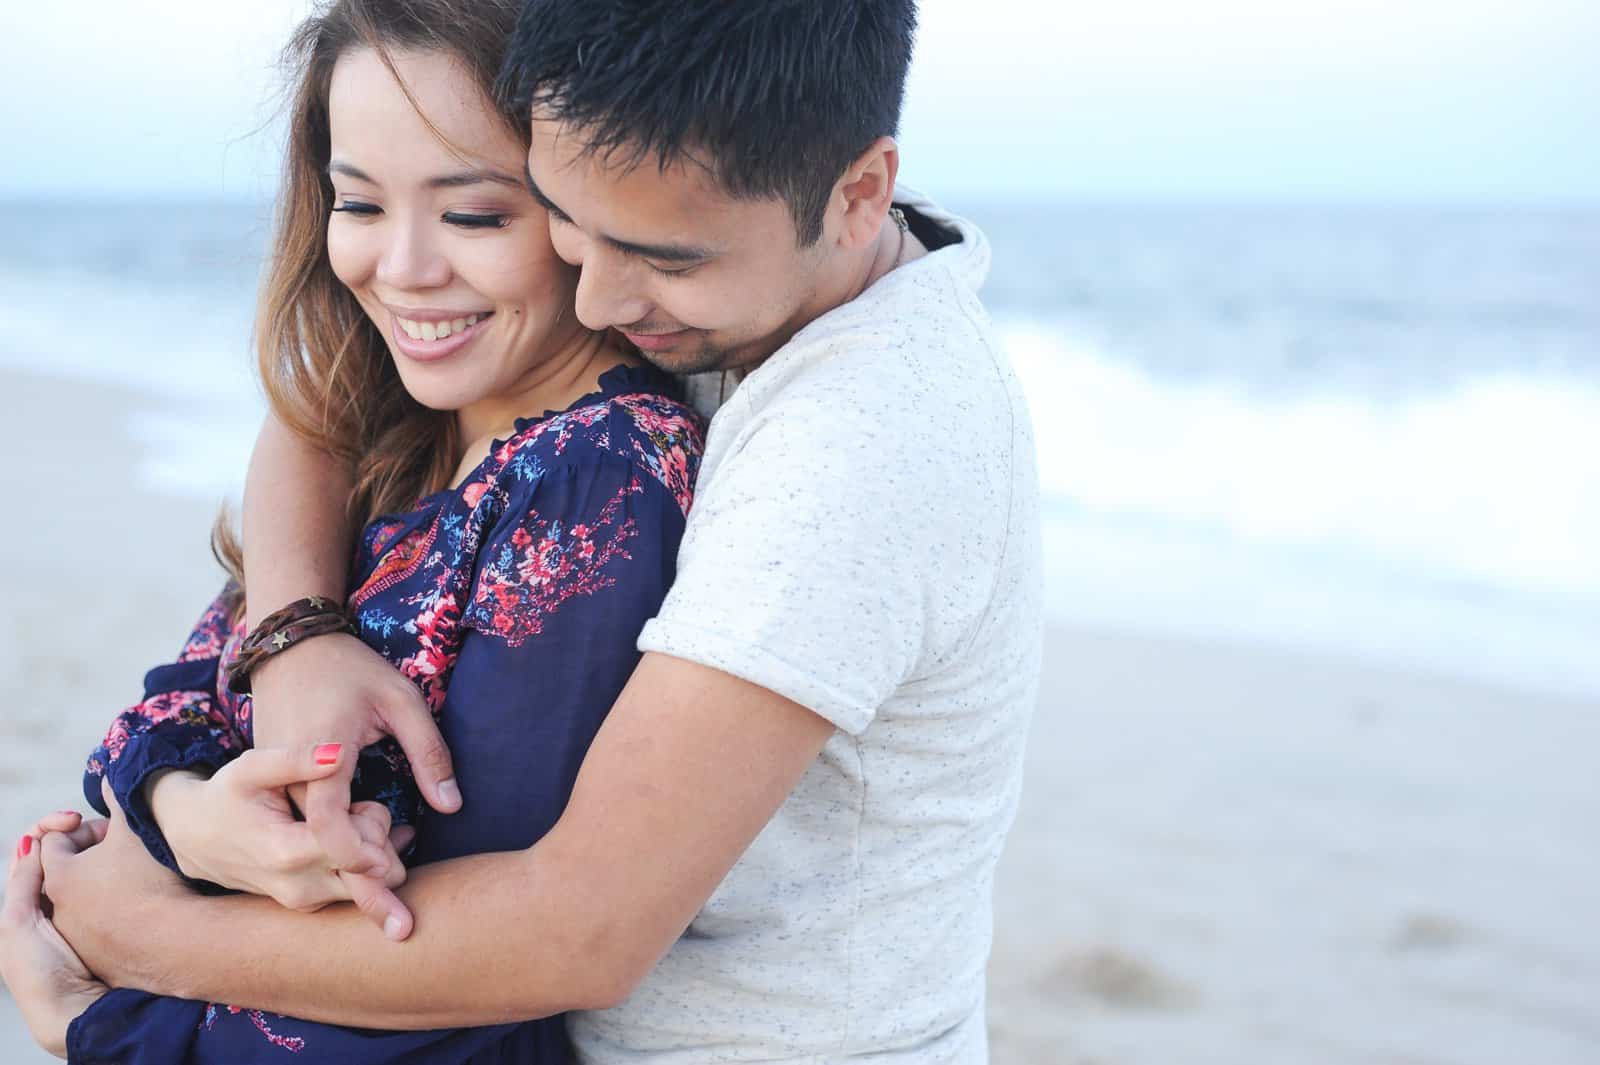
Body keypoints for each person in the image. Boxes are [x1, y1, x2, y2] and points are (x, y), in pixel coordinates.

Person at [25, 1, 1043, 1062]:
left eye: (480, 215)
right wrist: (292, 637)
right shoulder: (730, 226)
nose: (596, 298)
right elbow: (325, 404)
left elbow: (571, 932)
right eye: (568, 220)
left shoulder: (846, 445)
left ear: (859, 195)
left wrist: (121, 954)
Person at [0, 0, 704, 1060]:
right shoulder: (380, 427)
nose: (403, 267)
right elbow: (173, 706)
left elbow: (446, 963)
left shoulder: (596, 476)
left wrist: (104, 1018)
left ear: (587, 211)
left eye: (475, 215)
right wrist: (188, 817)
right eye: (361, 203)